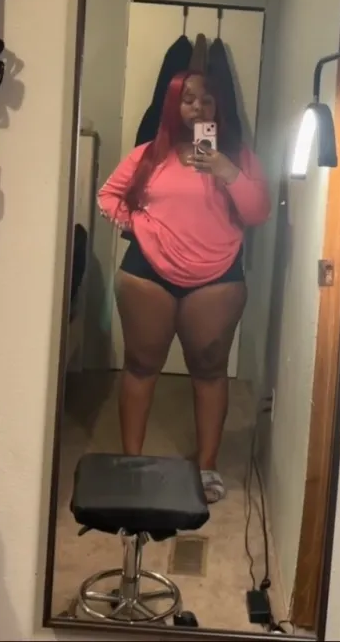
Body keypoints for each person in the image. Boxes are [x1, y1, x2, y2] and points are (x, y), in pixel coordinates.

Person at [97, 71, 271, 503]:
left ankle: (207, 466)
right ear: (174, 105)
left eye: (206, 100)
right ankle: (132, 463)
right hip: (148, 273)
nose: (197, 107)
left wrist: (226, 170)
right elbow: (108, 196)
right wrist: (137, 225)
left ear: (219, 107)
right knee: (140, 366)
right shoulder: (149, 154)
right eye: (187, 99)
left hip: (216, 276)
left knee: (210, 371)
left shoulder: (239, 157)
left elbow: (258, 212)